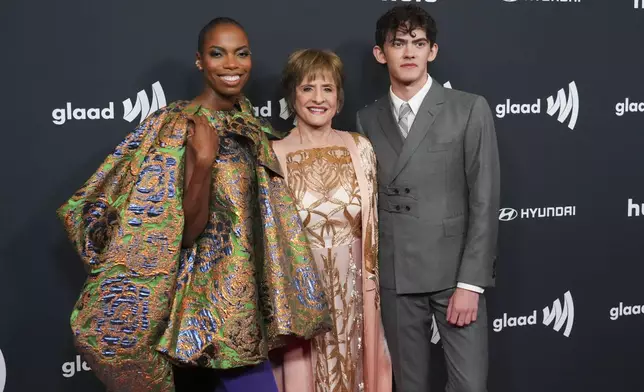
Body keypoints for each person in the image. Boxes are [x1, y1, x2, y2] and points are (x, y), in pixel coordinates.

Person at [56, 17, 331, 392]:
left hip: (240, 309)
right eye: (218, 54)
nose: (232, 64)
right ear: (200, 61)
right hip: (193, 317)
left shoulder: (248, 122)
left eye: (241, 53)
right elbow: (185, 233)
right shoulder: (180, 125)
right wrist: (202, 163)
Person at [356, 5, 500, 392]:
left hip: (454, 276)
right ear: (380, 52)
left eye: (418, 43)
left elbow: (484, 201)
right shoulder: (365, 120)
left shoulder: (469, 109)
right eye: (398, 43)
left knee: (470, 385)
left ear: (432, 51)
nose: (409, 52)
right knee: (409, 386)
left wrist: (471, 283)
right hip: (396, 276)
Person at [270, 49, 392, 392]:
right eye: (308, 88)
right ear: (292, 95)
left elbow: (371, 234)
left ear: (339, 99)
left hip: (357, 294)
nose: (318, 98)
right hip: (302, 297)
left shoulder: (360, 148)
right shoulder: (274, 156)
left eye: (328, 88)